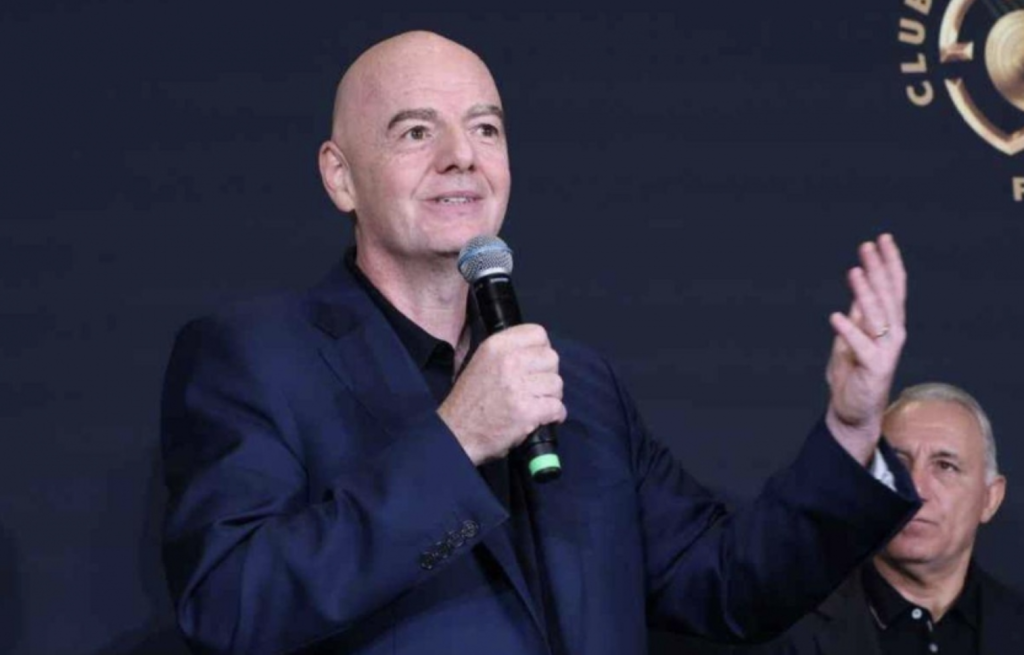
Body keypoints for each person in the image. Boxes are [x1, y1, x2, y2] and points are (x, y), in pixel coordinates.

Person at [160, 30, 919, 655]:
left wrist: (850, 431)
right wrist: (455, 444)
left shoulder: (577, 383)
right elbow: (231, 606)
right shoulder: (253, 357)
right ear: (341, 177)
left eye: (485, 128)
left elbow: (727, 586)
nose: (462, 155)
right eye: (417, 131)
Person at [736, 383, 1024, 654]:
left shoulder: (1013, 623)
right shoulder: (780, 624)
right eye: (896, 464)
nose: (916, 489)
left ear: (990, 498)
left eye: (945, 466)